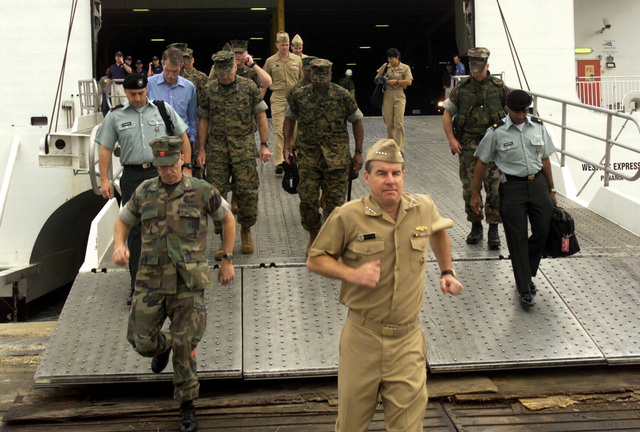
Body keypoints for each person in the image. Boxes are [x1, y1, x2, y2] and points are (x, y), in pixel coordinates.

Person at [307, 138, 463, 432]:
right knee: (351, 424)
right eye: (381, 173)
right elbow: (316, 259)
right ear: (367, 178)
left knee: (407, 427)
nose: (390, 180)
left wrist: (447, 271)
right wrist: (351, 274)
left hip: (407, 341)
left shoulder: (423, 207)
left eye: (396, 173)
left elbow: (439, 230)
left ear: (403, 175)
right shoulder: (347, 215)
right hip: (362, 338)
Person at [113, 136, 235, 432]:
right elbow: (123, 220)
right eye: (161, 165)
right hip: (151, 281)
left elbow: (228, 219)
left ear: (182, 158)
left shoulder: (202, 190)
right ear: (156, 163)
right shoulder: (144, 191)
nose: (167, 171)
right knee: (140, 341)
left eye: (172, 164)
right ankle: (161, 347)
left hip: (187, 282)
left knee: (185, 344)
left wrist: (227, 258)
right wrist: (119, 244)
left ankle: (187, 406)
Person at [96, 73, 191, 304]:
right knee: (136, 230)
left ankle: (173, 283)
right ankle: (137, 287)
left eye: (141, 93)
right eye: (132, 94)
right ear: (125, 93)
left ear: (146, 90)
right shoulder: (115, 116)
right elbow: (105, 148)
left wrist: (186, 167)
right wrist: (106, 180)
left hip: (162, 174)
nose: (138, 98)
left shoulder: (162, 109)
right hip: (133, 176)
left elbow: (183, 137)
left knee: (170, 226)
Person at [471, 90, 557, 307]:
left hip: (537, 183)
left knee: (543, 230)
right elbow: (481, 162)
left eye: (524, 110)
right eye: (517, 111)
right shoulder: (496, 132)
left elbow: (545, 158)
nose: (521, 115)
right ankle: (525, 288)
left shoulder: (537, 126)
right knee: (516, 238)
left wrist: (551, 189)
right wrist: (475, 194)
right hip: (513, 188)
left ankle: (525, 269)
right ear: (508, 109)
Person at [284, 59, 364, 254]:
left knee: (336, 204)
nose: (320, 85)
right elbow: (289, 118)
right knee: (308, 200)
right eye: (316, 81)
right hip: (309, 157)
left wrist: (358, 153)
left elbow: (357, 122)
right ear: (311, 76)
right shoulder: (299, 95)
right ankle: (313, 233)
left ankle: (330, 240)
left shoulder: (342, 96)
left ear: (330, 76)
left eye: (324, 81)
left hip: (336, 158)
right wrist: (287, 144)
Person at [197, 51, 271, 259]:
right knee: (217, 196)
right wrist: (201, 149)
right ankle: (223, 239)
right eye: (220, 74)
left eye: (227, 73)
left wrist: (264, 144)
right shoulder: (209, 89)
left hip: (244, 149)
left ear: (235, 67)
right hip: (217, 150)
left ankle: (246, 230)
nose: (224, 77)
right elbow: (204, 120)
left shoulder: (248, 88)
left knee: (248, 193)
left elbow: (261, 116)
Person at [442, 47, 509, 249]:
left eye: (479, 70)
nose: (475, 74)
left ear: (487, 66)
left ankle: (494, 230)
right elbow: (447, 113)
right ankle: (476, 226)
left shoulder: (499, 88)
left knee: (495, 189)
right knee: (471, 189)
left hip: (495, 148)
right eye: (473, 70)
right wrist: (451, 139)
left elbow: (512, 114)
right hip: (469, 146)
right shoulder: (461, 89)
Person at [147, 47, 198, 174]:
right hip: (157, 143)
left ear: (181, 67)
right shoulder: (149, 85)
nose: (171, 75)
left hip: (181, 143)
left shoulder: (189, 88)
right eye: (167, 70)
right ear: (162, 64)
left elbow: (192, 118)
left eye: (175, 71)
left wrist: (191, 143)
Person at [263, 31, 303, 173]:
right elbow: (264, 82)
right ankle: (280, 161)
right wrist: (259, 102)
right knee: (280, 129)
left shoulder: (297, 60)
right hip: (278, 98)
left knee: (295, 129)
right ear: (277, 45)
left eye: (287, 45)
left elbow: (302, 80)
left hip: (294, 97)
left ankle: (294, 158)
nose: (285, 48)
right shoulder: (270, 61)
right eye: (282, 45)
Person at [374, 48, 413, 152]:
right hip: (387, 95)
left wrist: (396, 81)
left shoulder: (405, 68)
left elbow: (409, 82)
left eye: (392, 58)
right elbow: (376, 79)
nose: (390, 60)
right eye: (388, 58)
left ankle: (399, 149)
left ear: (397, 57)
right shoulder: (385, 67)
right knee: (389, 122)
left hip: (399, 95)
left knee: (398, 123)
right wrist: (382, 79)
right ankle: (391, 145)